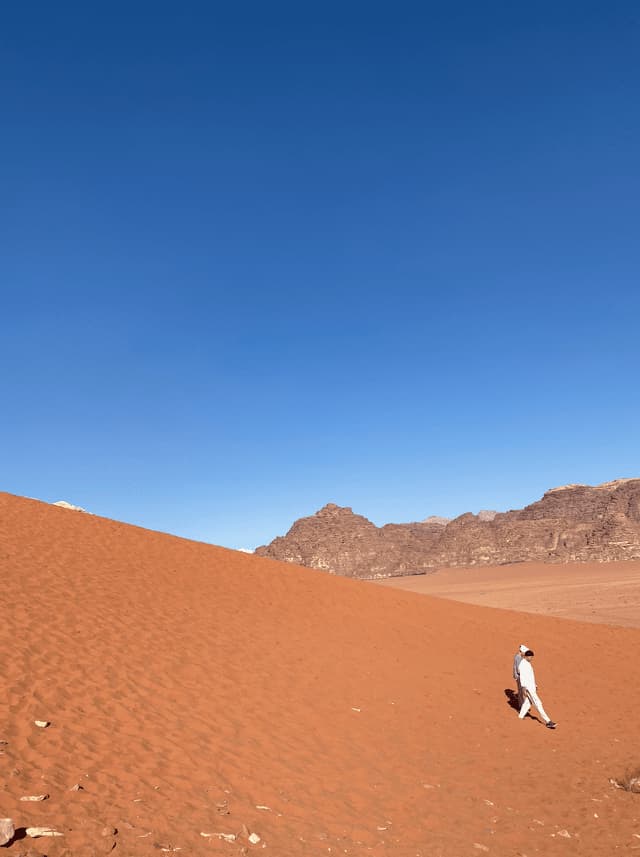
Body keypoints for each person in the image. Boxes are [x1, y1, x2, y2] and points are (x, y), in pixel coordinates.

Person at [518, 649, 557, 729]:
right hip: (528, 688)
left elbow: (530, 677)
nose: (531, 658)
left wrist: (534, 685)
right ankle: (548, 721)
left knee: (528, 703)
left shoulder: (527, 663)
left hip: (531, 687)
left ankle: (520, 716)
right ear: (526, 656)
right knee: (538, 704)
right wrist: (524, 688)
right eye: (531, 657)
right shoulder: (523, 665)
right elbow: (523, 677)